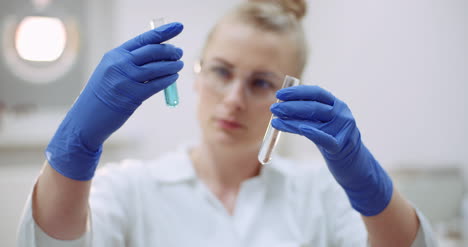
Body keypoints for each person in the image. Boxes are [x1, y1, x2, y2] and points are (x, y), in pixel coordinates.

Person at [17, 0, 436, 246]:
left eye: (260, 82)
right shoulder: (130, 188)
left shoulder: (321, 194)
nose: (234, 99)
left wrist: (370, 187)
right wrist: (75, 143)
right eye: (220, 71)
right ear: (195, 76)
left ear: (290, 93)